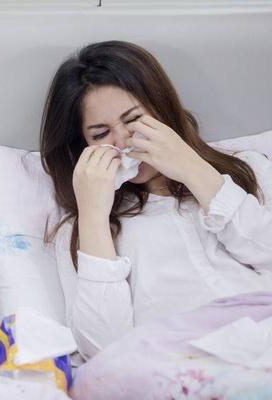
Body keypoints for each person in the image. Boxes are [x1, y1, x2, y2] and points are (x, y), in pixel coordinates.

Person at [39, 40, 272, 359]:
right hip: (184, 365)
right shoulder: (85, 231)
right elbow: (103, 348)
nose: (123, 141)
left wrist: (193, 169)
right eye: (101, 134)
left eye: (134, 119)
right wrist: (93, 216)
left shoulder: (249, 169)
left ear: (162, 109)